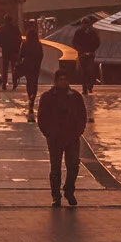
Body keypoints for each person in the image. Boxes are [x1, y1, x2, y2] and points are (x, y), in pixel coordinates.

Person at [36, 69, 89, 206]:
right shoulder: (47, 97)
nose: (63, 82)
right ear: (56, 81)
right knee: (55, 168)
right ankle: (56, 195)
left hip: (72, 137)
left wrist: (78, 131)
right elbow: (41, 117)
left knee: (73, 165)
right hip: (55, 138)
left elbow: (82, 115)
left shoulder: (75, 97)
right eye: (61, 80)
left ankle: (69, 190)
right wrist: (49, 133)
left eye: (66, 79)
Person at [17, 18, 44, 118]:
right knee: (35, 82)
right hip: (36, 66)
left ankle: (30, 97)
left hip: (27, 65)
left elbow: (21, 55)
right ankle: (33, 97)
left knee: (29, 82)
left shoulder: (25, 44)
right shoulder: (39, 45)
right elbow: (41, 55)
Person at [74, 15, 102, 97]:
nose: (85, 25)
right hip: (82, 54)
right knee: (84, 72)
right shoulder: (78, 32)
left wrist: (92, 50)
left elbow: (97, 42)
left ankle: (89, 86)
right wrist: (80, 50)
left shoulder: (92, 32)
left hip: (90, 54)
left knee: (90, 71)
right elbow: (75, 43)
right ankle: (85, 88)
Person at [0, 16, 22, 89]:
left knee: (5, 68)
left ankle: (4, 83)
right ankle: (14, 83)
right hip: (14, 50)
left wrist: (2, 45)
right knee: (14, 68)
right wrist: (17, 47)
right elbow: (19, 39)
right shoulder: (15, 28)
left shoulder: (2, 29)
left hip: (5, 50)